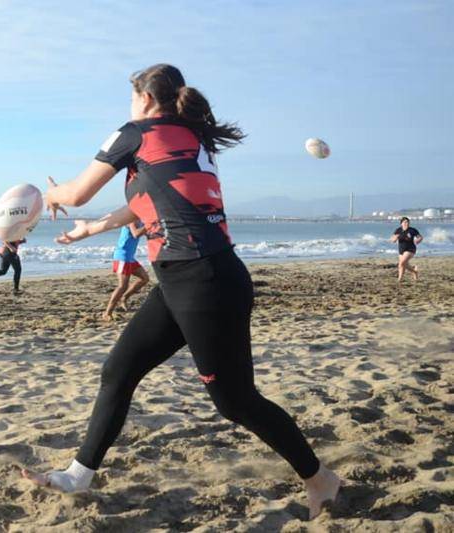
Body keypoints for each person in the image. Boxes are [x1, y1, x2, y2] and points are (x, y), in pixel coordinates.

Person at [21, 64, 340, 520]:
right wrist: (93, 228)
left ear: (146, 99)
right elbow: (150, 200)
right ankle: (80, 473)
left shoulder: (134, 132)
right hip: (186, 279)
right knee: (119, 369)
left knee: (235, 401)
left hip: (202, 281)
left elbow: (77, 192)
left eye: (132, 97)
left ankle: (320, 478)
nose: (129, 106)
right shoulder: (190, 137)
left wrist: (53, 198)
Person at [104, 222, 149, 320]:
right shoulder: (131, 220)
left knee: (144, 279)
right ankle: (107, 312)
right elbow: (136, 233)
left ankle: (124, 297)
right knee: (122, 286)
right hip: (122, 256)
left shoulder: (141, 221)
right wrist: (148, 225)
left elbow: (147, 233)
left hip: (130, 258)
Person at [389, 216, 422, 284]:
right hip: (401, 249)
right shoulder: (398, 230)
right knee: (404, 264)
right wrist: (395, 239)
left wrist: (418, 240)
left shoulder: (412, 230)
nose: (407, 223)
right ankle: (414, 271)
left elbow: (420, 237)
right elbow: (392, 239)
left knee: (401, 263)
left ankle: (399, 279)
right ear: (401, 223)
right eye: (405, 222)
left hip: (410, 249)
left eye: (408, 222)